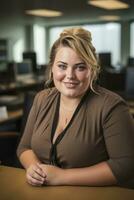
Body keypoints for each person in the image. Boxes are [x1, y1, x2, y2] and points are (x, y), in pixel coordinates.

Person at [17, 27, 134, 188]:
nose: (70, 75)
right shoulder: (42, 99)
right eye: (62, 66)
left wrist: (61, 176)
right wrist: (33, 168)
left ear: (92, 70)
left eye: (80, 67)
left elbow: (125, 165)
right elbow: (25, 147)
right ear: (52, 68)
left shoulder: (112, 106)